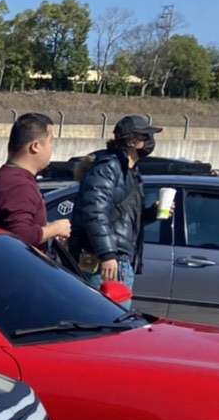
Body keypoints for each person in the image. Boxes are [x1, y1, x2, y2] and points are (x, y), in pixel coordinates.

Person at [68, 115, 163, 290]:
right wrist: (107, 254)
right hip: (104, 264)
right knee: (104, 308)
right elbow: (94, 213)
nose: (150, 141)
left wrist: (152, 213)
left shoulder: (131, 171)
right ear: (132, 142)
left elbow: (125, 218)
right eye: (145, 136)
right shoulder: (108, 167)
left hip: (121, 261)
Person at [0, 112, 69, 252]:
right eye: (51, 141)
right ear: (35, 146)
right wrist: (55, 229)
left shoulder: (7, 176)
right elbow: (20, 237)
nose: (52, 148)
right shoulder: (19, 185)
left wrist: (45, 230)